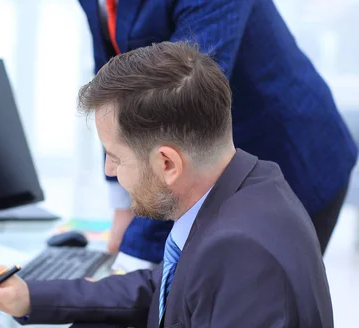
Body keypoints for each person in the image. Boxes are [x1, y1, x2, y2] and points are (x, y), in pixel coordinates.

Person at [0, 42, 338, 328]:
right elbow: (161, 288)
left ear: (167, 164)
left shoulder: (240, 253)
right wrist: (30, 296)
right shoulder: (248, 184)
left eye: (115, 156)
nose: (110, 171)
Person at [81, 0, 358, 268]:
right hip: (194, 163)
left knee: (246, 302)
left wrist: (134, 256)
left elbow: (181, 113)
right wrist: (123, 205)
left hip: (287, 155)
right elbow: (109, 81)